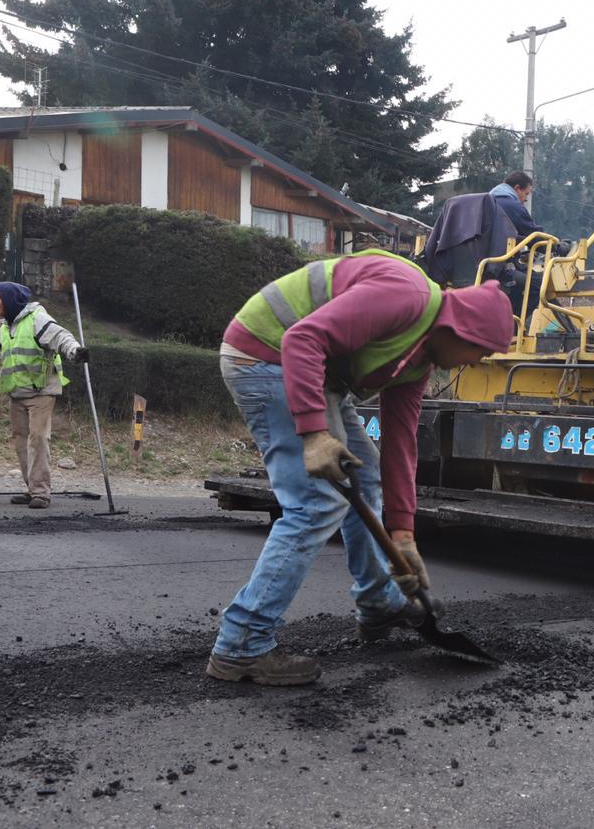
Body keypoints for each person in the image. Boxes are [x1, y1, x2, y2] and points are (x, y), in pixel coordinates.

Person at [208, 249, 514, 686]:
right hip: (265, 356)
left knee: (364, 474)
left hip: (317, 376)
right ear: (460, 329)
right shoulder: (405, 297)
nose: (475, 362)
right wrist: (315, 434)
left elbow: (400, 445)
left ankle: (378, 602)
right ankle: (242, 643)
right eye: (479, 352)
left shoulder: (419, 361)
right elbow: (301, 339)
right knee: (317, 502)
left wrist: (404, 535)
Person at [0, 282, 88, 510]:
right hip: (17, 393)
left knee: (37, 439)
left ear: (10, 300)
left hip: (41, 392)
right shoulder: (4, 328)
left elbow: (61, 336)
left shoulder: (37, 319)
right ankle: (32, 489)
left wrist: (75, 351)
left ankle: (41, 493)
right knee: (21, 441)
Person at [489, 171, 541, 239]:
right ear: (517, 188)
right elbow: (534, 234)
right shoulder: (513, 206)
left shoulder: (484, 203)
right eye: (526, 194)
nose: (526, 199)